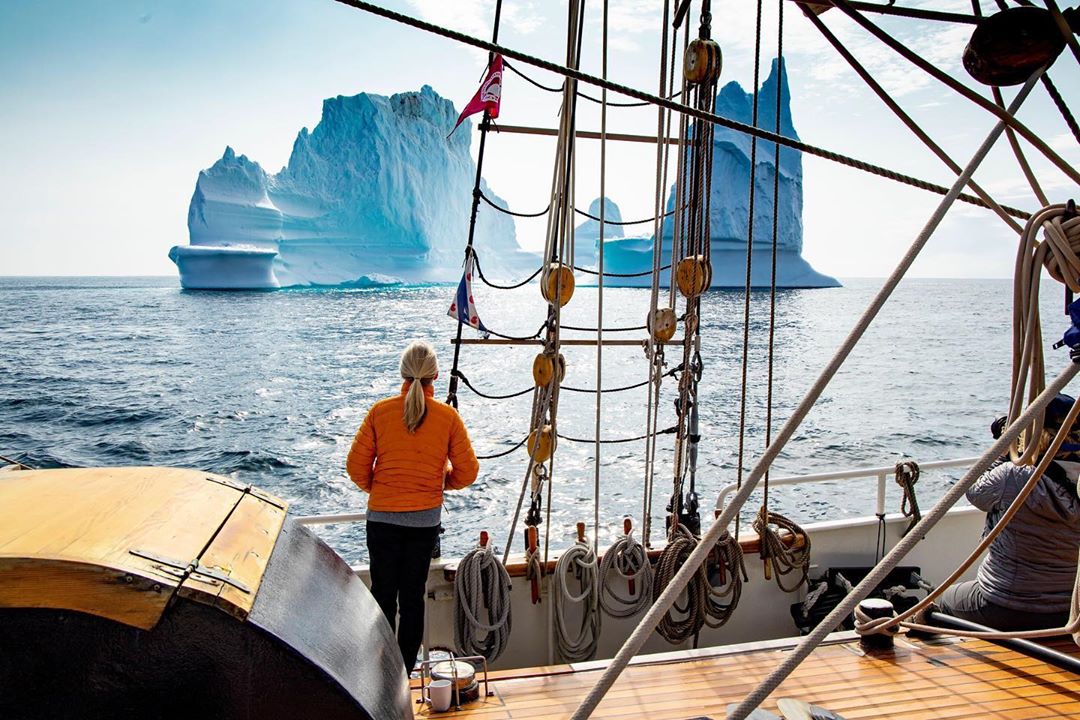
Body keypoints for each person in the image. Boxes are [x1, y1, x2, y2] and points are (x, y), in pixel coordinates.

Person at [346, 340, 479, 671]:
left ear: (402, 374)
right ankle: (406, 671)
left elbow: (355, 467)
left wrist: (381, 490)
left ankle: (381, 673)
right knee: (412, 599)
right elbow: (468, 472)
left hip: (382, 520)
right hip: (423, 523)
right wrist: (439, 483)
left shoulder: (380, 412)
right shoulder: (447, 417)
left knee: (382, 596)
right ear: (436, 376)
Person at [936, 394, 1080, 631]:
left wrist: (1005, 446)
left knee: (943, 601)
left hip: (1004, 606)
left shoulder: (1015, 477)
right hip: (1070, 612)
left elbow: (974, 491)